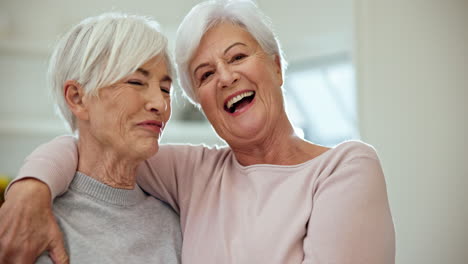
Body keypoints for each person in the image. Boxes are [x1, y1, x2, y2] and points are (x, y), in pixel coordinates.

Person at [0, 0, 395, 263]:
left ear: (276, 66)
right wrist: (29, 188)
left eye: (238, 56)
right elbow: (89, 148)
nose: (225, 77)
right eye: (205, 75)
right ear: (202, 102)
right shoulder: (193, 173)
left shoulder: (343, 166)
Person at [1, 13, 183, 264]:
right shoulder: (29, 228)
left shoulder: (178, 225)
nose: (160, 103)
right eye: (136, 82)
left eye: (165, 89)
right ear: (77, 98)